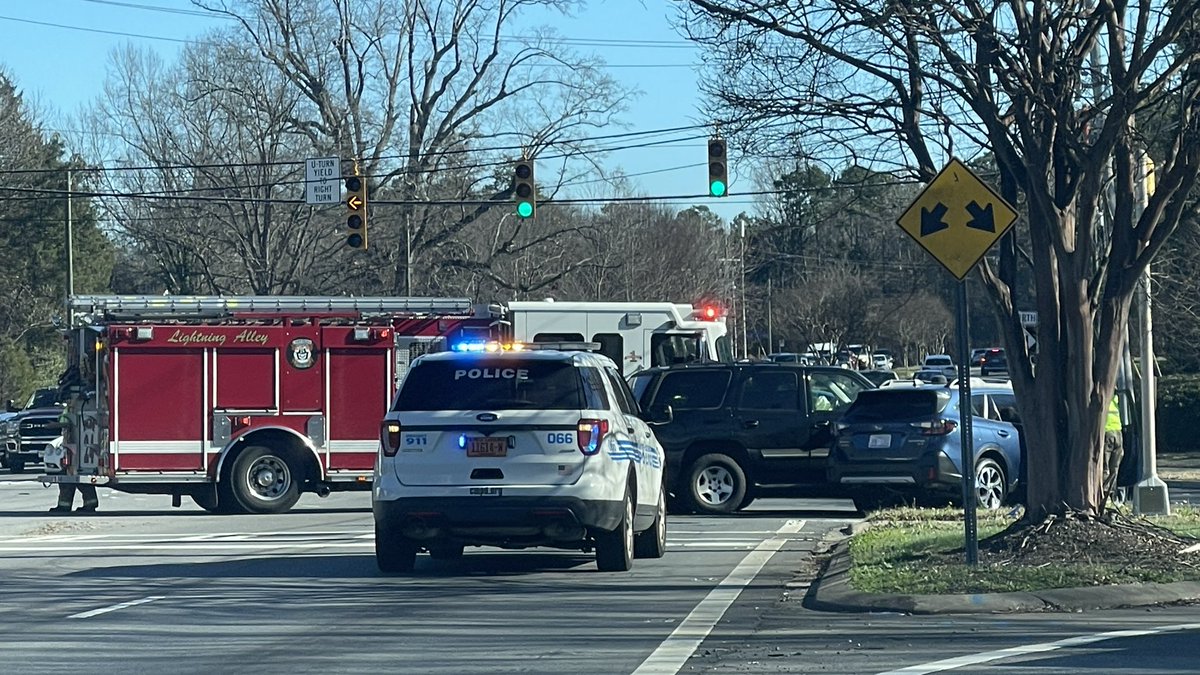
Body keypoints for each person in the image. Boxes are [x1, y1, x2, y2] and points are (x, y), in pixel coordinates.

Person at [48, 355, 99, 514]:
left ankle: (84, 504)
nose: (68, 401)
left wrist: (57, 425)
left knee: (76, 474)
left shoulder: (78, 407)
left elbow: (69, 422)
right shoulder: (72, 409)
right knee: (71, 474)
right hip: (71, 443)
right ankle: (66, 505)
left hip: (75, 444)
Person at [1103, 394, 1123, 499]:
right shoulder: (1116, 397)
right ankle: (1110, 494)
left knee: (1106, 467)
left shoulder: (1104, 396)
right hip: (1117, 432)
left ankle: (1107, 494)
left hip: (1107, 433)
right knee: (1113, 467)